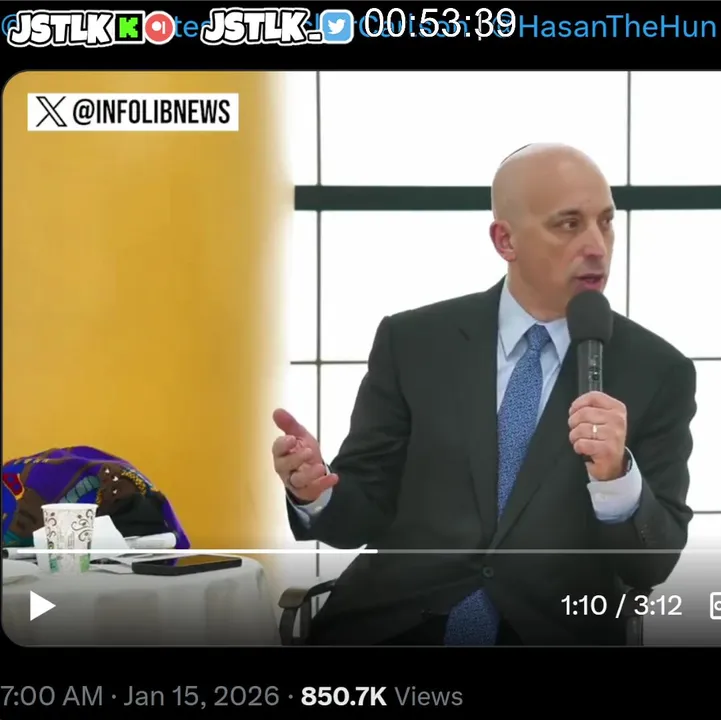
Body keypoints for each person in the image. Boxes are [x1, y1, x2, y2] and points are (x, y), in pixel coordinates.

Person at [271, 143, 696, 646]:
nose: (597, 247)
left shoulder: (657, 371)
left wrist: (617, 478)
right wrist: (316, 492)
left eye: (606, 222)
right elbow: (361, 513)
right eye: (568, 224)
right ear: (505, 240)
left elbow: (651, 564)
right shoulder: (414, 342)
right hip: (397, 625)